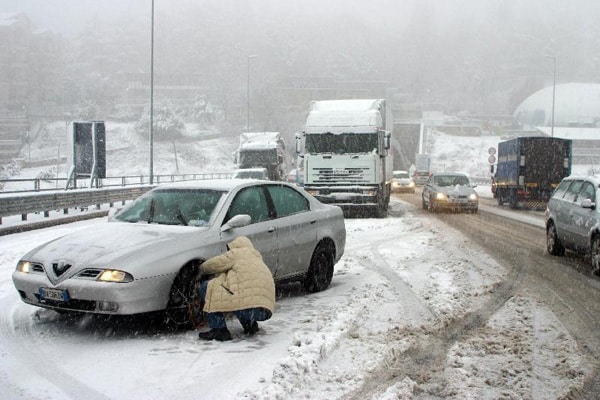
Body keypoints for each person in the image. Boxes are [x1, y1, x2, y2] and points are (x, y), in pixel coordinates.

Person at [196, 236, 276, 342]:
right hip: (265, 311)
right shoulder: (257, 258)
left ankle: (219, 330)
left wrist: (199, 267)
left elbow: (213, 265)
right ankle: (250, 325)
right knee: (241, 296)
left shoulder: (237, 253)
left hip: (249, 309)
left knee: (207, 287)